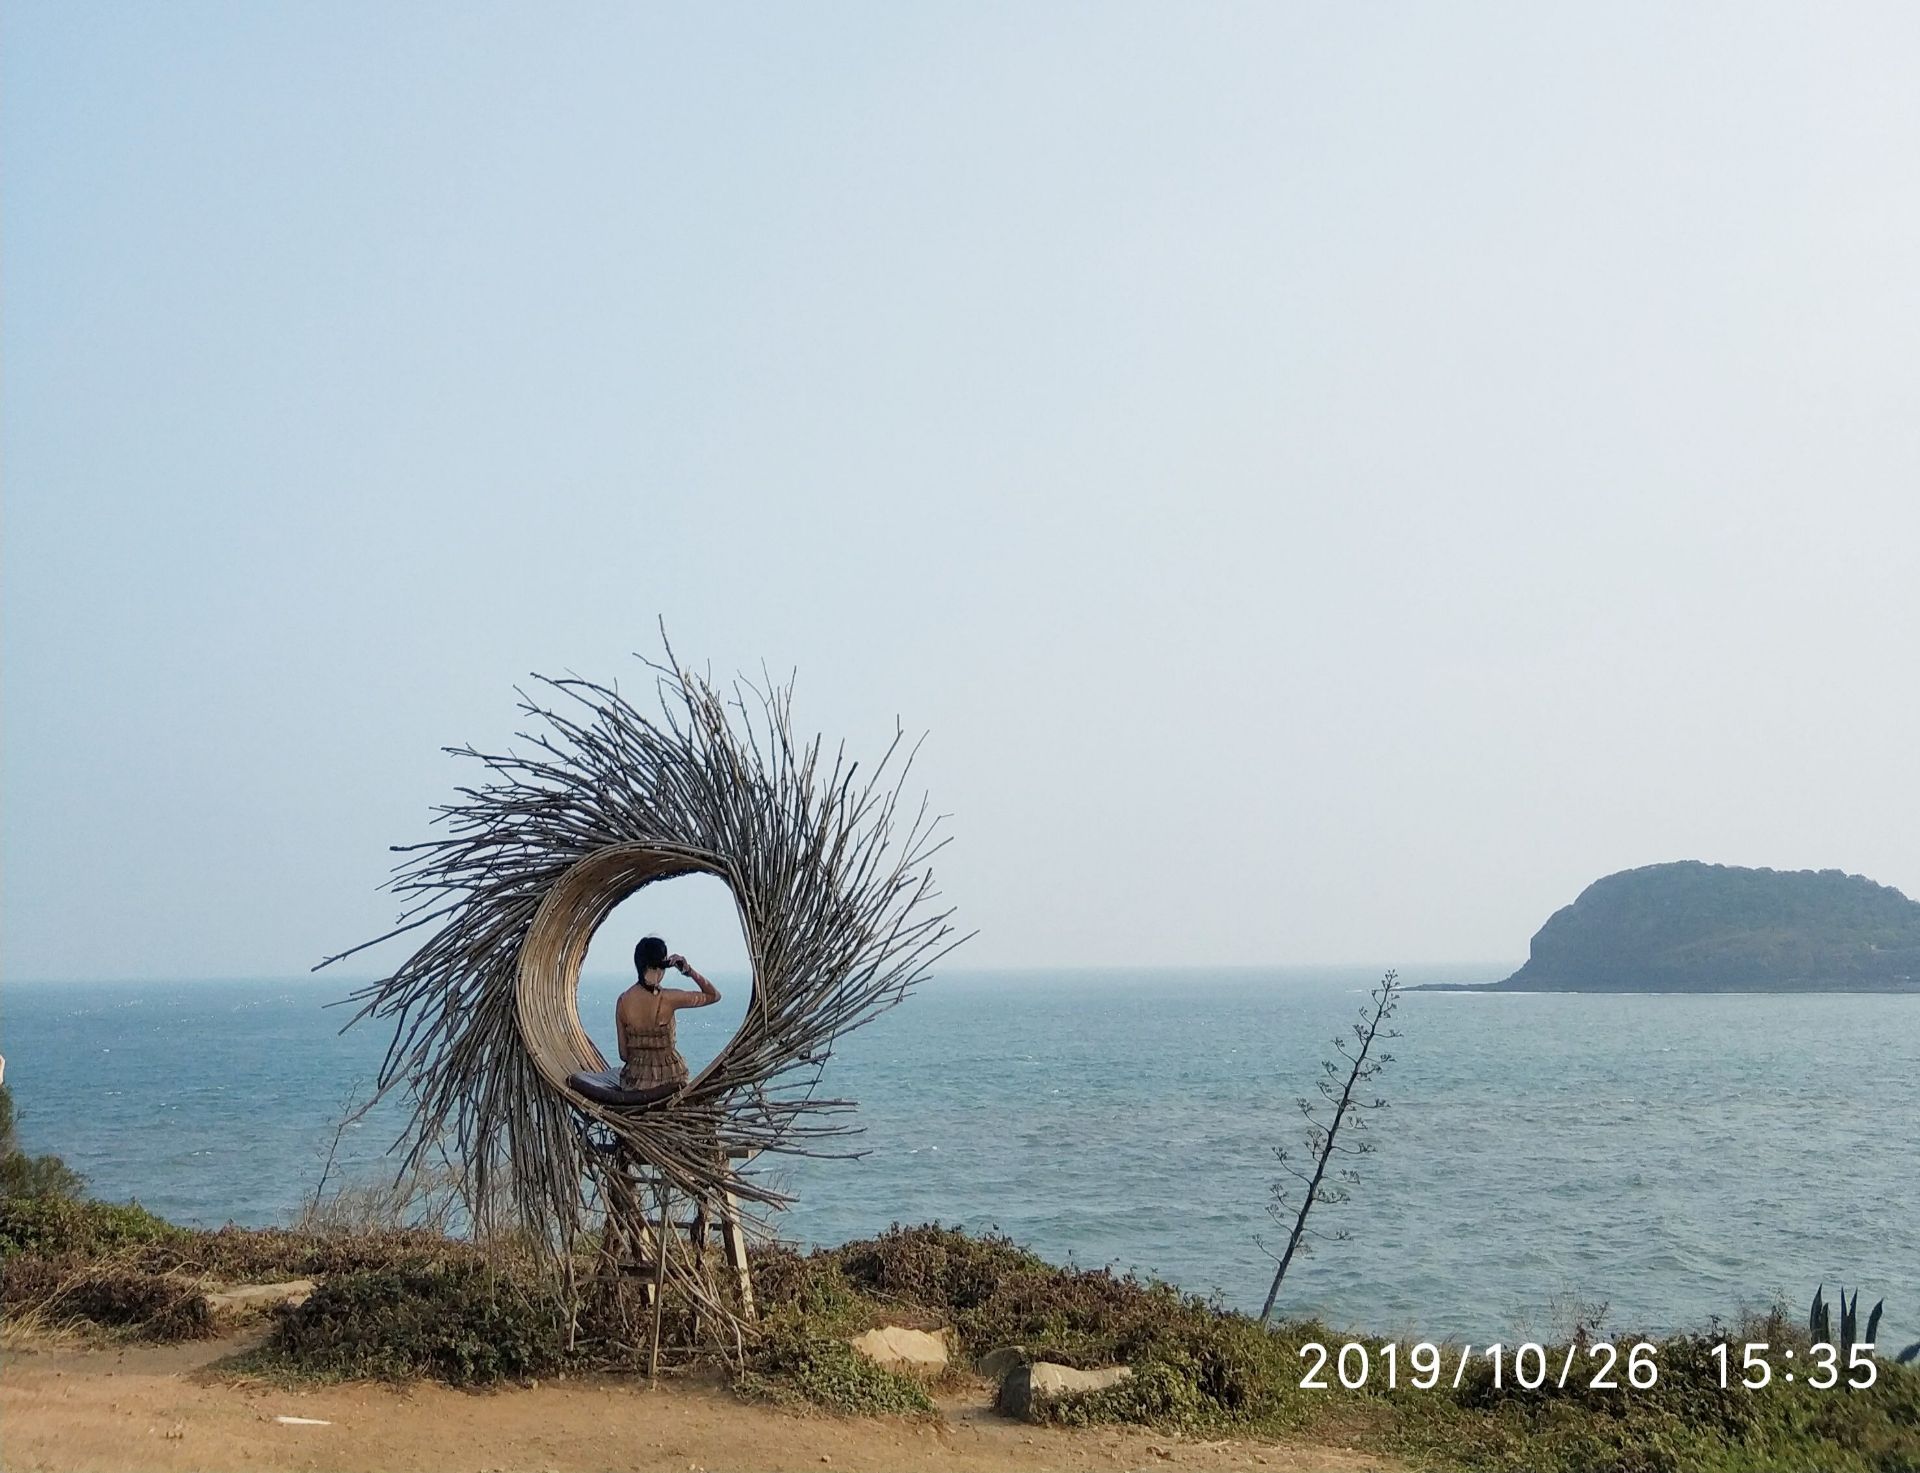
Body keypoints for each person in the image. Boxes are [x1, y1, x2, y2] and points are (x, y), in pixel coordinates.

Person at [615, 935, 721, 1093]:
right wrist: (688, 970)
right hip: (669, 1085)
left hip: (634, 1085)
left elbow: (624, 1055)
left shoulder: (623, 1001)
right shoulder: (670, 998)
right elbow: (714, 995)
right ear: (662, 965)